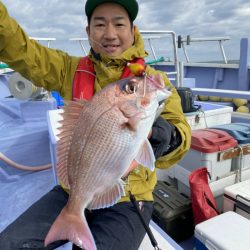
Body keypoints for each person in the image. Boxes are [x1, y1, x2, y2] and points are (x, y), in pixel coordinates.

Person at [0, 0, 191, 249]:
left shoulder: (153, 82)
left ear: (133, 31)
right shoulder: (69, 70)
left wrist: (167, 135)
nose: (110, 34)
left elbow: (182, 135)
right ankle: (72, 216)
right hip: (75, 189)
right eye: (99, 24)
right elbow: (22, 51)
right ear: (88, 32)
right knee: (10, 244)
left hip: (130, 198)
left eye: (119, 24)